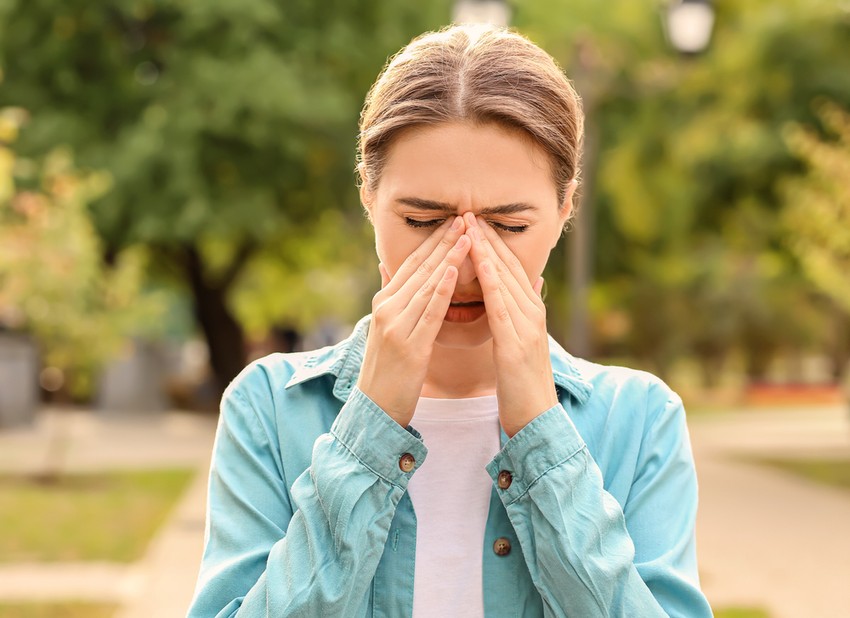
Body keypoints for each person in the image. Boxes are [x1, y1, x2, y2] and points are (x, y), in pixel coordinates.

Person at [187, 24, 712, 618]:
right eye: (421, 220)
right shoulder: (269, 408)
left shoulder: (639, 420)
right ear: (369, 197)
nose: (463, 263)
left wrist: (542, 437)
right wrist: (369, 432)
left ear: (565, 209)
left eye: (508, 227)